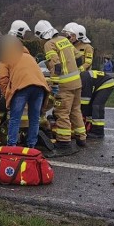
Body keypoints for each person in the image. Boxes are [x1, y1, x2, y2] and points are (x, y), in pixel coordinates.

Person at [35, 20, 84, 156]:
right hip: (77, 82)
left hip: (65, 85)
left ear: (41, 35)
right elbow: (79, 58)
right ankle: (81, 138)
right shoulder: (64, 39)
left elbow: (56, 66)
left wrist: (55, 84)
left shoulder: (49, 44)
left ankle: (64, 142)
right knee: (75, 110)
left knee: (62, 113)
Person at [0, 36, 50, 148]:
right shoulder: (28, 56)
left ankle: (12, 145)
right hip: (39, 87)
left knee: (15, 118)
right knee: (34, 118)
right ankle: (31, 145)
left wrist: (7, 95)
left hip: (22, 87)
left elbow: (2, 78)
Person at [81, 70, 114, 138]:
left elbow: (85, 100)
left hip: (106, 83)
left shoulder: (83, 79)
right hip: (98, 84)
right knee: (90, 105)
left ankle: (98, 132)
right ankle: (90, 127)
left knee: (97, 105)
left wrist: (81, 113)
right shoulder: (81, 78)